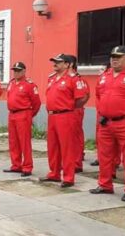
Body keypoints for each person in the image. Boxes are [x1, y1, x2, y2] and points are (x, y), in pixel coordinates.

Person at [89, 45, 125, 202]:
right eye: (112, 57)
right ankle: (105, 185)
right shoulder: (105, 76)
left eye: (119, 56)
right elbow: (98, 96)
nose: (114, 59)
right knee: (105, 156)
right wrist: (103, 112)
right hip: (106, 123)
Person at [39, 54, 87, 188]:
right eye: (54, 61)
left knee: (67, 147)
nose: (55, 64)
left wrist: (70, 109)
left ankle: (68, 177)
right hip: (52, 116)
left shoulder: (73, 78)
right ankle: (54, 173)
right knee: (52, 146)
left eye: (58, 62)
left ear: (67, 64)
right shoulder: (52, 78)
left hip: (66, 115)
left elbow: (81, 98)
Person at [3, 62, 41, 177]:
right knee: (13, 142)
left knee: (24, 142)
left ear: (24, 71)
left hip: (23, 114)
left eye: (18, 70)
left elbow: (36, 103)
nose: (16, 73)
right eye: (14, 70)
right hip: (12, 114)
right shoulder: (11, 83)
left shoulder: (29, 85)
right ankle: (16, 165)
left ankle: (27, 167)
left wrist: (29, 115)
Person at [69, 60, 90, 173]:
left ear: (70, 64)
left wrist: (75, 107)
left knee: (76, 136)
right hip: (67, 111)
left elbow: (86, 96)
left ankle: (77, 162)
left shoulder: (78, 80)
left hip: (75, 110)